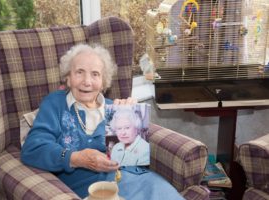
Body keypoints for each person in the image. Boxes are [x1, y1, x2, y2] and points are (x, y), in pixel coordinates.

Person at [21, 43, 185, 200]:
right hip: (92, 191)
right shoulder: (55, 104)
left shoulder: (115, 108)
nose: (87, 81)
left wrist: (135, 122)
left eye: (95, 74)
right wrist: (76, 158)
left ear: (103, 82)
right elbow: (33, 149)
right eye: (79, 72)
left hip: (138, 183)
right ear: (68, 78)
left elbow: (133, 162)